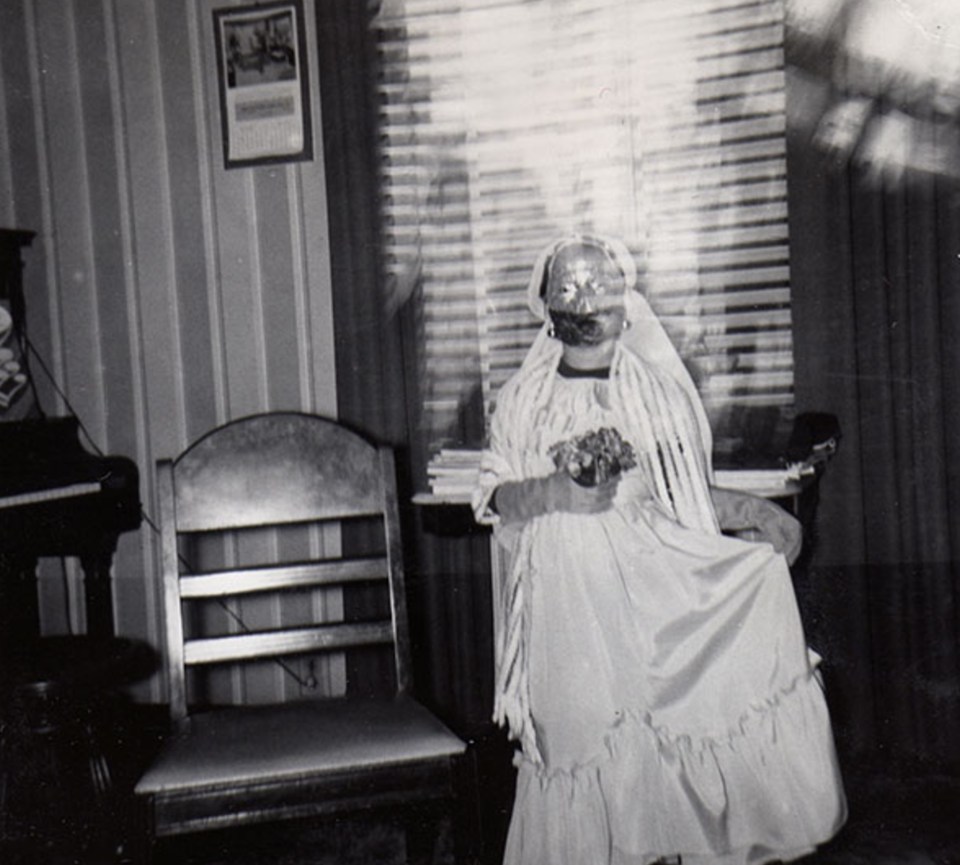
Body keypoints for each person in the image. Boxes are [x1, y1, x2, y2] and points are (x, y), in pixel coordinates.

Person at [472, 234, 847, 865]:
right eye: (567, 287)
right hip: (567, 603)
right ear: (545, 304)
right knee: (582, 744)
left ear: (627, 303)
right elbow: (493, 497)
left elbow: (681, 495)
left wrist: (756, 512)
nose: (583, 300)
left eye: (598, 286)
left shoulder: (652, 393)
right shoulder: (522, 400)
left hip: (652, 590)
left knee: (659, 739)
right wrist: (553, 491)